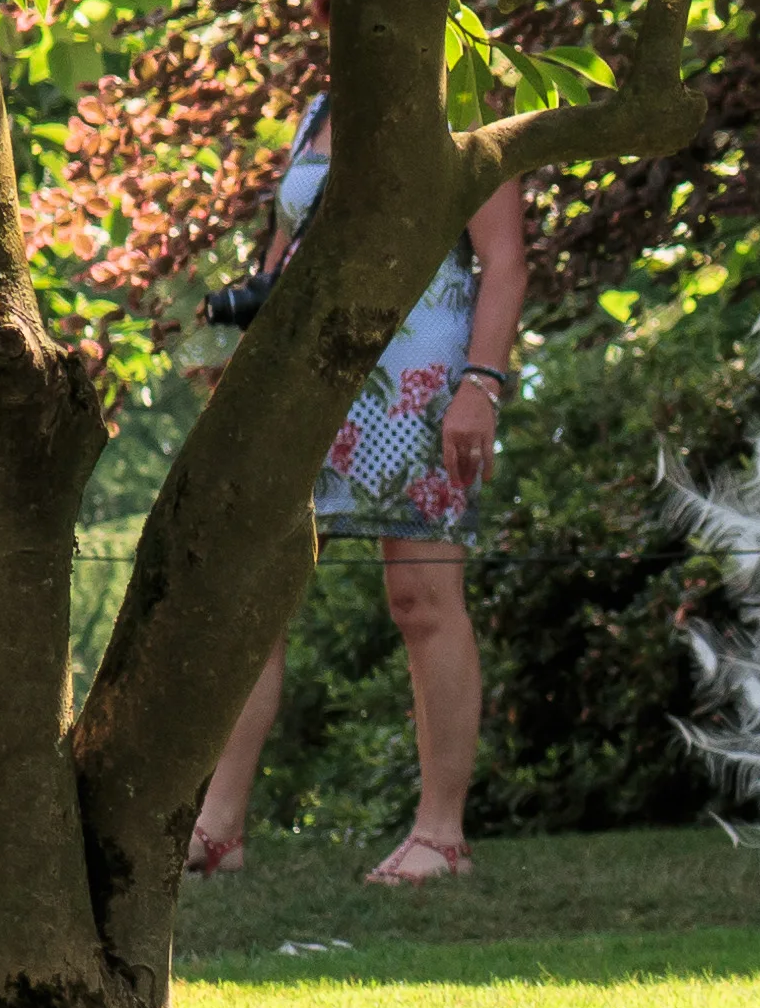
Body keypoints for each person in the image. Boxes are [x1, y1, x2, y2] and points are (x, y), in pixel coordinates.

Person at [185, 70, 528, 885]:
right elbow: (282, 260)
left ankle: (440, 838)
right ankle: (216, 829)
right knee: (253, 598)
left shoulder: (470, 103)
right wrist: (244, 361)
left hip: (421, 389)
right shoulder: (318, 110)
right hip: (306, 385)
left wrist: (481, 386)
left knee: (422, 602)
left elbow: (505, 263)